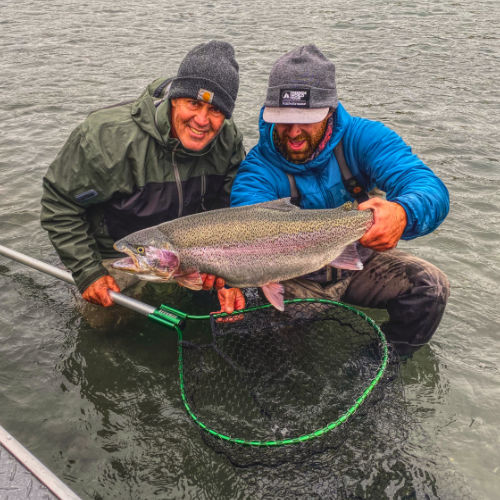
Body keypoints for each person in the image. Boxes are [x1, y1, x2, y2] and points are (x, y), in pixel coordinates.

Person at [230, 45, 450, 355]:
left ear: (330, 112)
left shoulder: (366, 138)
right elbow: (242, 228)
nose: (293, 133)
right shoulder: (258, 169)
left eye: (305, 120)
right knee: (267, 350)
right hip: (296, 276)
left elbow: (428, 187)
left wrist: (402, 212)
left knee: (431, 287)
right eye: (283, 120)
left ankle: (381, 365)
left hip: (361, 262)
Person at [41, 40, 246, 326]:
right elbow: (58, 204)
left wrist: (228, 276)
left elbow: (230, 211)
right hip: (116, 252)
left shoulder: (228, 139)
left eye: (215, 111)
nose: (202, 120)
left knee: (222, 318)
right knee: (106, 328)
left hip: (191, 253)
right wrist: (88, 272)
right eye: (194, 103)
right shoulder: (106, 137)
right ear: (175, 97)